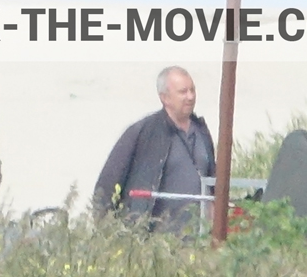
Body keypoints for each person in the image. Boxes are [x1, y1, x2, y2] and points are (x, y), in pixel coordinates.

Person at [92, 67, 216, 233]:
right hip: (157, 242)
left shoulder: (201, 132)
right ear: (164, 98)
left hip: (200, 239)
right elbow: (107, 184)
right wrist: (106, 231)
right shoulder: (142, 132)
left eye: (192, 90)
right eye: (183, 92)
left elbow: (213, 181)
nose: (190, 97)